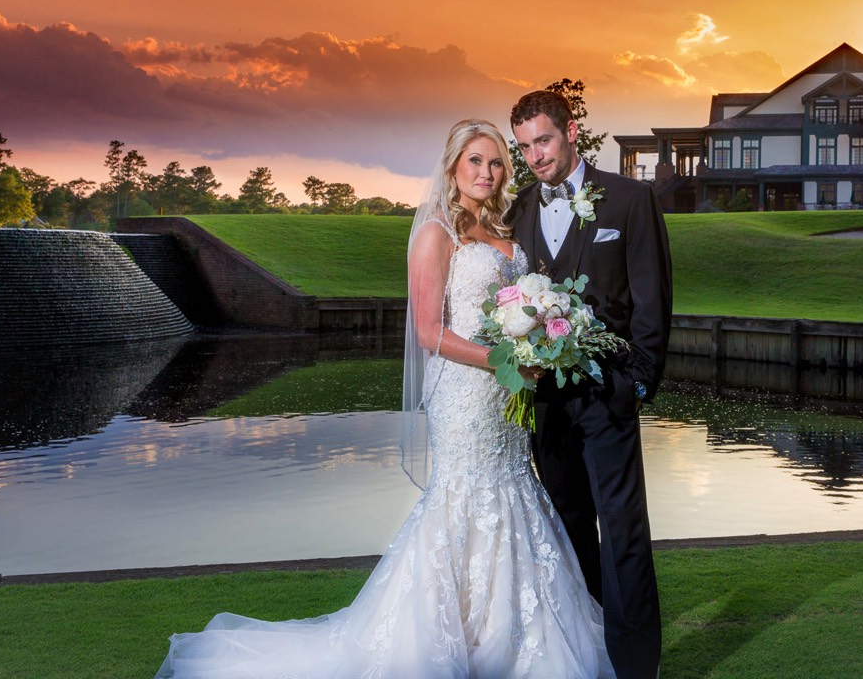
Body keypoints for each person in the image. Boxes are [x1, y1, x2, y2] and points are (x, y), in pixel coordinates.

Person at [155, 119, 614, 678]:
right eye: (475, 160)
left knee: (514, 491)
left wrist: (538, 343)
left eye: (496, 163)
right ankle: (443, 642)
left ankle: (509, 639)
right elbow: (430, 332)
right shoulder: (435, 234)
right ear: (452, 165)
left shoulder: (504, 230)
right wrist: (510, 359)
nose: (487, 173)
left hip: (508, 401)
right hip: (467, 399)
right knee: (465, 502)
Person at [508, 90, 673, 679]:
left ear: (571, 131)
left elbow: (652, 297)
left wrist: (638, 384)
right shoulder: (518, 210)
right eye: (525, 146)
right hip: (546, 404)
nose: (535, 156)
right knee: (567, 524)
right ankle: (586, 655)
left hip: (610, 395)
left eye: (543, 141)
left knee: (623, 529)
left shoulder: (630, 199)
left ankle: (634, 667)